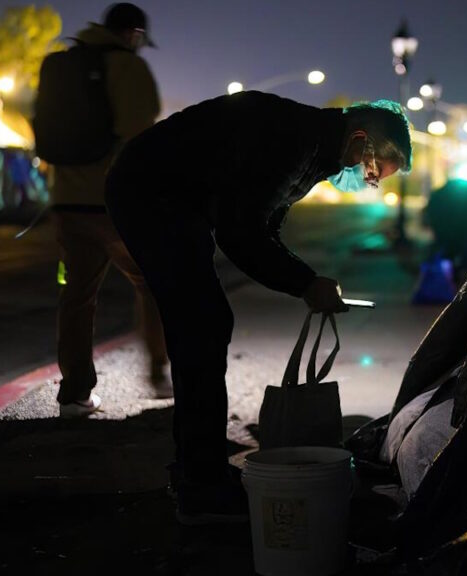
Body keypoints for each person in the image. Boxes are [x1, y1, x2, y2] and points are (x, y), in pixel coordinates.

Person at [105, 94, 412, 524]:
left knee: (205, 322)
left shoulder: (316, 152)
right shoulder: (295, 141)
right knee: (203, 323)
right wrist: (305, 283)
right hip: (151, 192)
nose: (368, 181)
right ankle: (202, 487)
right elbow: (239, 232)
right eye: (373, 170)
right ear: (361, 140)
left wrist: (305, 281)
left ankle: (197, 472)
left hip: (174, 200)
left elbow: (261, 225)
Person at [46, 3, 168, 417]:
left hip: (67, 202)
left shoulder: (63, 64)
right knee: (154, 281)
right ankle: (159, 374)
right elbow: (143, 139)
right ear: (133, 34)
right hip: (114, 202)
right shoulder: (128, 68)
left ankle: (75, 394)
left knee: (77, 295)